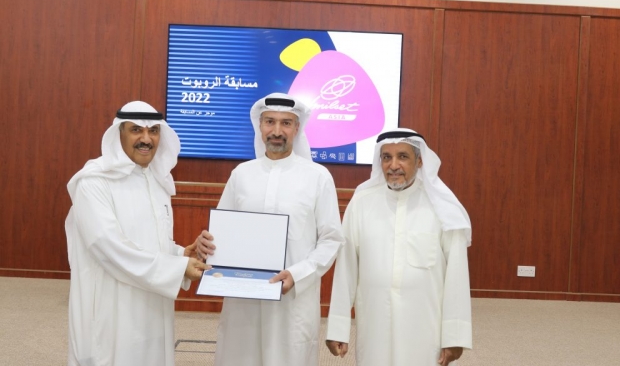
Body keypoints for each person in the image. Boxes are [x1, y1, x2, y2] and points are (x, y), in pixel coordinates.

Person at [196, 92, 345, 366]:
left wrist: (298, 274)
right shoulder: (241, 174)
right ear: (260, 126)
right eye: (270, 122)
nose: (277, 131)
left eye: (286, 123)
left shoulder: (318, 177)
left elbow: (331, 239)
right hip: (243, 298)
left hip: (292, 300)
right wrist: (207, 243)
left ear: (297, 128)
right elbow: (221, 232)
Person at [65, 101, 209, 366]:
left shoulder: (157, 180)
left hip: (152, 300)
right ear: (119, 133)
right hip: (112, 306)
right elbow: (109, 247)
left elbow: (150, 239)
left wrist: (179, 254)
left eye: (153, 131)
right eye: (136, 130)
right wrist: (177, 268)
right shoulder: (94, 181)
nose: (146, 139)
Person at [325, 128, 473, 366]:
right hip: (375, 322)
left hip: (425, 325)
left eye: (402, 156)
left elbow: (457, 277)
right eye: (387, 157)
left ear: (420, 161)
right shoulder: (362, 203)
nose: (393, 165)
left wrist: (454, 337)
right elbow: (346, 270)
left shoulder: (443, 208)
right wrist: (338, 328)